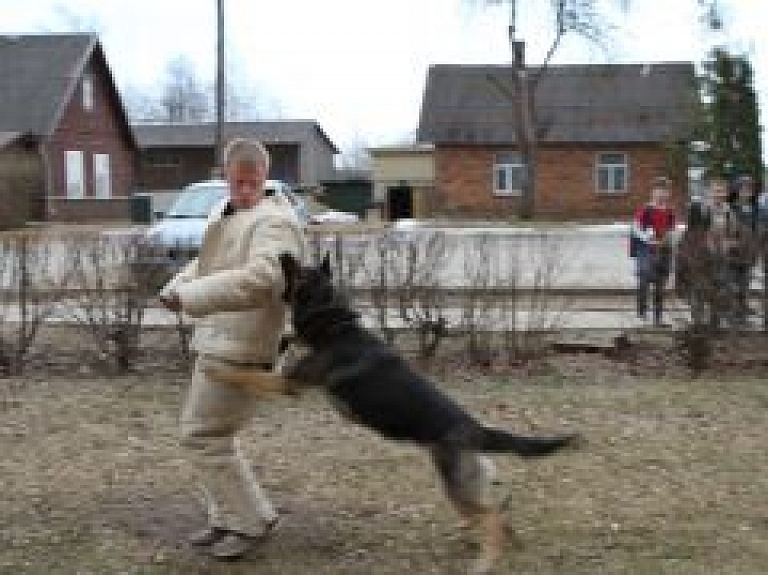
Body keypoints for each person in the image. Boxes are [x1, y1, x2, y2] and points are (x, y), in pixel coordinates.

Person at [158, 138, 307, 561]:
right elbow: (212, 266)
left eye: (252, 183)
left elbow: (263, 280)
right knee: (212, 435)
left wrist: (191, 298)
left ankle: (252, 521)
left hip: (244, 346)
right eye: (236, 183)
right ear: (224, 176)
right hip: (219, 338)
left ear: (266, 176)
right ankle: (226, 517)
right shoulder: (229, 212)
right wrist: (175, 288)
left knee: (202, 435)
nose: (243, 191)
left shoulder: (276, 223)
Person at [631, 178, 677, 326]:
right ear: (652, 192)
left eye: (664, 191)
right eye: (658, 190)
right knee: (644, 279)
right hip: (646, 249)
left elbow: (672, 229)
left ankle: (658, 316)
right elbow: (636, 229)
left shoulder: (669, 211)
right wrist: (648, 238)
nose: (661, 194)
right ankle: (642, 313)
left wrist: (669, 239)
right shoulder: (646, 209)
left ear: (668, 193)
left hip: (664, 250)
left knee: (660, 283)